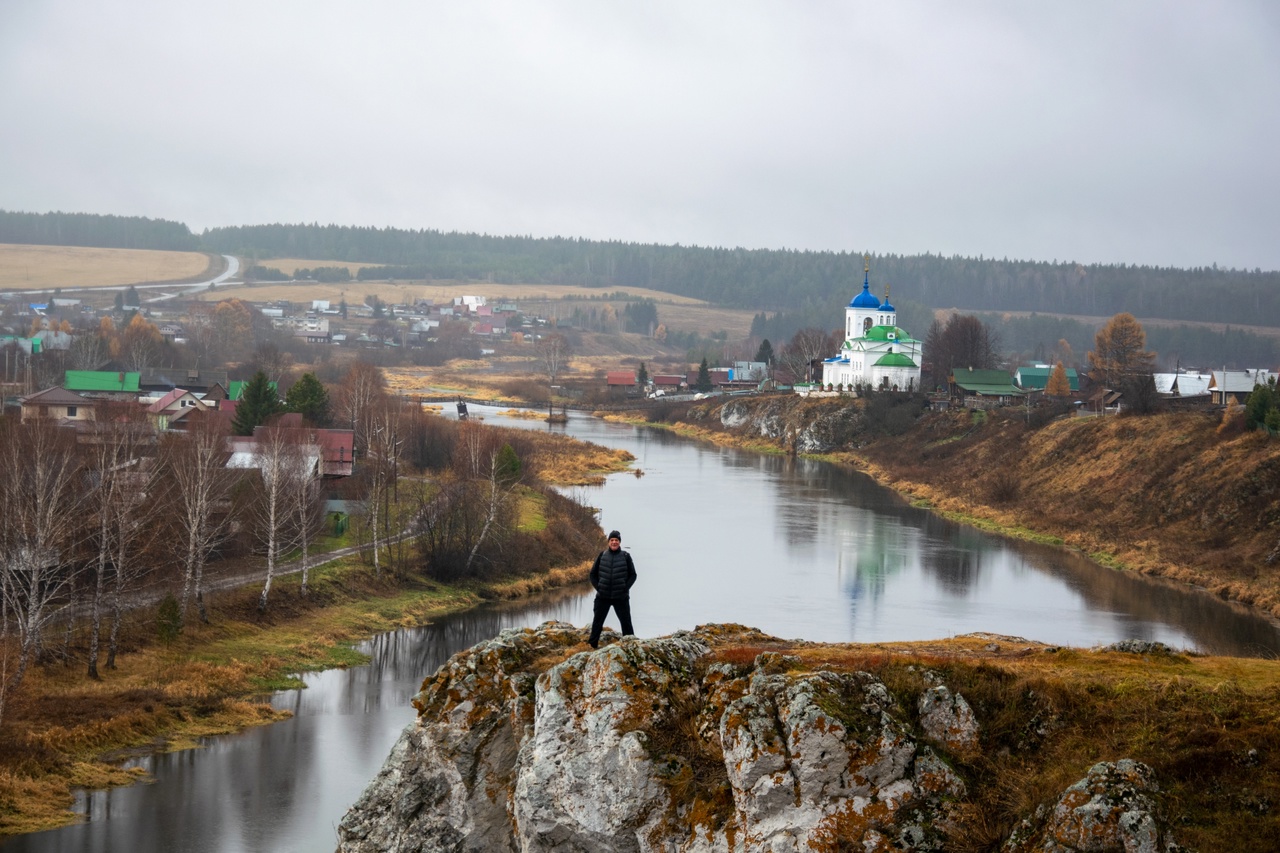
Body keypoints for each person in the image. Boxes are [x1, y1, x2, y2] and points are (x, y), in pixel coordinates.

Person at [588, 530, 636, 648]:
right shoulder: (602, 555)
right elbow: (592, 574)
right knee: (597, 622)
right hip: (603, 596)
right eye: (612, 540)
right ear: (609, 542)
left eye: (616, 540)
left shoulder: (626, 556)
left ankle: (630, 646)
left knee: (626, 623)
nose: (614, 542)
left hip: (620, 597)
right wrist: (598, 588)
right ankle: (592, 645)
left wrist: (625, 588)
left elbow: (633, 575)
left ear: (619, 542)